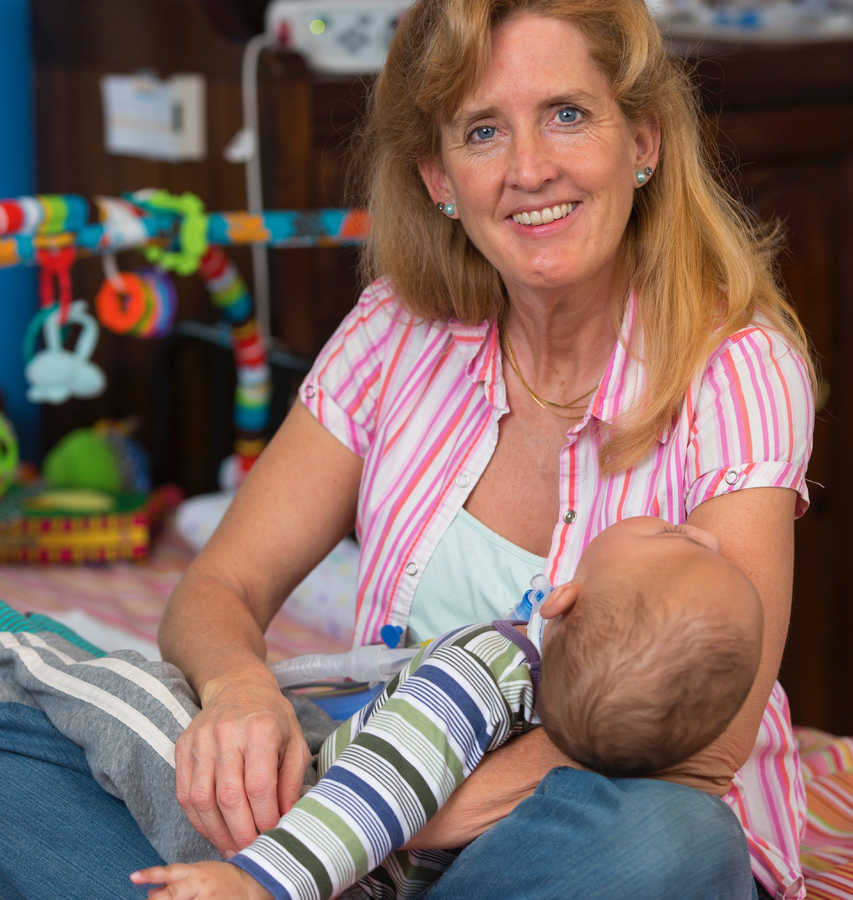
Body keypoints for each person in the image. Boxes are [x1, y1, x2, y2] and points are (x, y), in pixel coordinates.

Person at [0, 1, 815, 898]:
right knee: (25, 713)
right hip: (346, 806)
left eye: (568, 114)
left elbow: (711, 734)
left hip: (540, 831)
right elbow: (219, 587)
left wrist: (366, 824)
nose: (529, 169)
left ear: (644, 141)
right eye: (481, 131)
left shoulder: (735, 366)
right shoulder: (396, 329)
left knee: (665, 838)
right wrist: (239, 690)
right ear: (437, 175)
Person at [126, 515, 762, 899]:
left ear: (561, 599)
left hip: (313, 866)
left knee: (112, 693)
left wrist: (258, 883)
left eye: (674, 535)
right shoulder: (608, 726)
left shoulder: (485, 667)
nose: (703, 529)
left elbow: (371, 797)